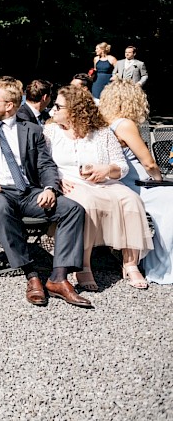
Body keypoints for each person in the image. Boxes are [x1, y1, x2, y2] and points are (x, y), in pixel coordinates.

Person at [0, 79, 91, 308]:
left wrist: (50, 188)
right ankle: (31, 274)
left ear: (9, 105)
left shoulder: (32, 130)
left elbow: (46, 165)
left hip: (27, 192)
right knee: (1, 206)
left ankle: (58, 277)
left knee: (72, 208)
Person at [44, 85, 152, 291]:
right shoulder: (50, 132)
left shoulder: (102, 133)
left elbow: (122, 166)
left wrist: (107, 168)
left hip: (104, 183)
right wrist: (56, 179)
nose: (53, 110)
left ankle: (130, 264)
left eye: (58, 107)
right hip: (69, 183)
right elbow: (41, 163)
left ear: (75, 110)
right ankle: (83, 265)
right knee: (87, 202)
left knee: (131, 199)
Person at [100, 79, 171, 283]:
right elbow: (148, 163)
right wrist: (159, 180)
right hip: (140, 184)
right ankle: (161, 265)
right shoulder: (125, 124)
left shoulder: (105, 122)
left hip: (122, 182)